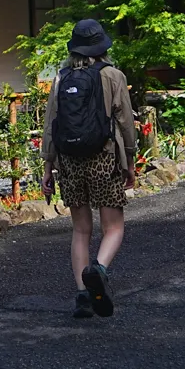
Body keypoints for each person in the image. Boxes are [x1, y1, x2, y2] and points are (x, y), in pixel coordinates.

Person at [41, 18, 137, 319]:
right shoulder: (113, 75)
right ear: (102, 46)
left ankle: (83, 295)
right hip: (103, 156)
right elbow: (125, 123)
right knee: (114, 227)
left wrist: (48, 165)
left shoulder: (62, 77)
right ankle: (99, 268)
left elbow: (50, 124)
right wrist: (130, 161)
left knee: (81, 230)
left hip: (69, 159)